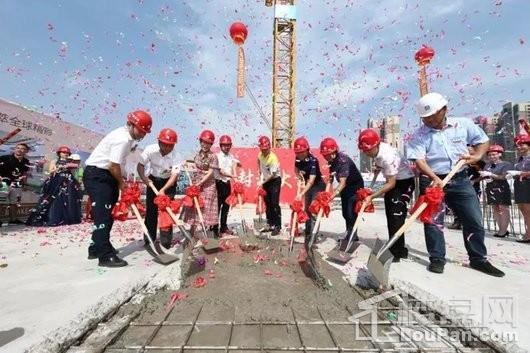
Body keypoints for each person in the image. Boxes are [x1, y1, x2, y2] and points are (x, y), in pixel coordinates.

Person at [406, 92, 504, 277]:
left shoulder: (463, 124)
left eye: (432, 116)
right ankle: (437, 259)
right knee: (433, 222)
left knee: (473, 219)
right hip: (432, 180)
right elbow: (419, 160)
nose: (428, 120)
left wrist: (476, 156)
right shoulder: (419, 135)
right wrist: (433, 177)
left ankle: (478, 259)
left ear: (444, 110)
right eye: (424, 118)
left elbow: (482, 141)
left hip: (460, 179)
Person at [84, 110, 152, 267]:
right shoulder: (122, 139)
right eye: (140, 130)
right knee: (103, 215)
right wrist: (122, 184)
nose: (142, 135)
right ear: (131, 124)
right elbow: (113, 165)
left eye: (145, 132)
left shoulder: (127, 139)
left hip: (107, 176)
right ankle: (105, 256)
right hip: (99, 175)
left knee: (106, 213)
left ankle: (96, 247)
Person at [358, 129, 415, 262]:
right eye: (364, 151)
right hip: (394, 182)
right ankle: (397, 248)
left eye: (368, 150)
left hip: (404, 183)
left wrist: (372, 196)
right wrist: (372, 183)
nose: (366, 153)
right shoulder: (377, 152)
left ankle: (397, 252)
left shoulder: (387, 156)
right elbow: (379, 167)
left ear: (376, 145)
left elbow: (390, 184)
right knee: (391, 214)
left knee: (397, 216)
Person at [137, 128, 180, 249]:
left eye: (170, 146)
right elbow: (140, 165)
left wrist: (164, 190)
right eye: (164, 145)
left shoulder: (176, 155)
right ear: (159, 142)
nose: (166, 148)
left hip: (168, 183)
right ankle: (149, 238)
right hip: (153, 181)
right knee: (151, 211)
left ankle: (166, 241)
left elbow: (174, 175)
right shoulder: (150, 149)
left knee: (166, 211)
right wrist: (144, 178)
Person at [319, 137, 364, 251]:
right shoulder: (331, 162)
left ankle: (353, 236)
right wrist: (326, 193)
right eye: (324, 154)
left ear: (334, 152)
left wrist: (331, 197)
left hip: (355, 186)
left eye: (327, 154)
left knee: (350, 211)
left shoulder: (343, 161)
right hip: (345, 187)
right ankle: (349, 231)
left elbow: (342, 183)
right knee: (345, 212)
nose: (325, 156)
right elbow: (330, 179)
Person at [26, 146, 82, 226]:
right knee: (53, 198)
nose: (65, 154)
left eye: (67, 153)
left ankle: (66, 218)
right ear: (59, 153)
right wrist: (59, 168)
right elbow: (50, 171)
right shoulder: (55, 161)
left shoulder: (70, 161)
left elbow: (74, 171)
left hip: (68, 181)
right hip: (57, 180)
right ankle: (52, 218)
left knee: (68, 199)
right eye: (63, 152)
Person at [184, 130, 220, 238]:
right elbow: (193, 164)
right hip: (197, 183)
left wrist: (200, 182)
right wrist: (187, 164)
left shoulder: (213, 156)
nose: (205, 145)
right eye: (203, 142)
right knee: (195, 206)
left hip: (208, 184)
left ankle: (207, 233)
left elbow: (210, 172)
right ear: (200, 142)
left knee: (207, 208)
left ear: (211, 144)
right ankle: (192, 232)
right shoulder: (197, 155)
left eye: (208, 143)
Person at [293, 136, 326, 240]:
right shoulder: (298, 158)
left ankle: (314, 233)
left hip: (317, 185)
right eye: (297, 152)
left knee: (313, 209)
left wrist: (301, 194)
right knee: (307, 209)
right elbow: (296, 169)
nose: (300, 154)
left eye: (302, 152)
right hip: (308, 185)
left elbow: (312, 180)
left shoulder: (313, 161)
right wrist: (299, 176)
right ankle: (308, 231)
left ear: (307, 150)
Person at [481, 144, 512, 238]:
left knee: (503, 208)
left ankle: (503, 230)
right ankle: (501, 229)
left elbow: (503, 177)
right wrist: (486, 177)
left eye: (494, 154)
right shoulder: (488, 165)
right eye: (490, 155)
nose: (492, 157)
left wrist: (491, 174)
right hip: (490, 187)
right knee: (495, 208)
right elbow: (486, 175)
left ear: (500, 154)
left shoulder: (506, 164)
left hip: (502, 187)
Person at [215, 135, 241, 236]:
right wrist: (233, 176)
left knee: (226, 206)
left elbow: (236, 163)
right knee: (217, 207)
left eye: (228, 145)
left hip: (227, 184)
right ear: (221, 145)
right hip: (219, 183)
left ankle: (223, 227)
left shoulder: (230, 156)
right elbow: (220, 171)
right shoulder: (217, 156)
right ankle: (214, 228)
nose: (227, 147)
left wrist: (238, 164)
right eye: (225, 145)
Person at [257, 136, 282, 236]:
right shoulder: (260, 154)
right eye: (262, 149)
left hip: (275, 180)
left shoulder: (273, 158)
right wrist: (259, 170)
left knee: (274, 203)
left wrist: (262, 182)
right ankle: (270, 224)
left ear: (269, 147)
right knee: (267, 203)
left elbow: (272, 175)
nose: (263, 151)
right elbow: (258, 160)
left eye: (265, 149)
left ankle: (277, 226)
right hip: (266, 181)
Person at [507, 135, 530, 243]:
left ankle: (529, 234)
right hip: (520, 185)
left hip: (528, 183)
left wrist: (521, 173)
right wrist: (513, 175)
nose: (519, 147)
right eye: (517, 146)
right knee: (523, 209)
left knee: (528, 210)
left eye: (522, 144)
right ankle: (528, 232)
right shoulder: (519, 159)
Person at [0, 143, 30, 208]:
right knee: (1, 202)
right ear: (14, 149)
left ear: (26, 151)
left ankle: (13, 218)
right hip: (3, 183)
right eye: (18, 148)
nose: (19, 150)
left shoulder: (26, 161)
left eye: (23, 149)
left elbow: (25, 173)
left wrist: (24, 184)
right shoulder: (4, 158)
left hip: (17, 184)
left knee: (14, 203)